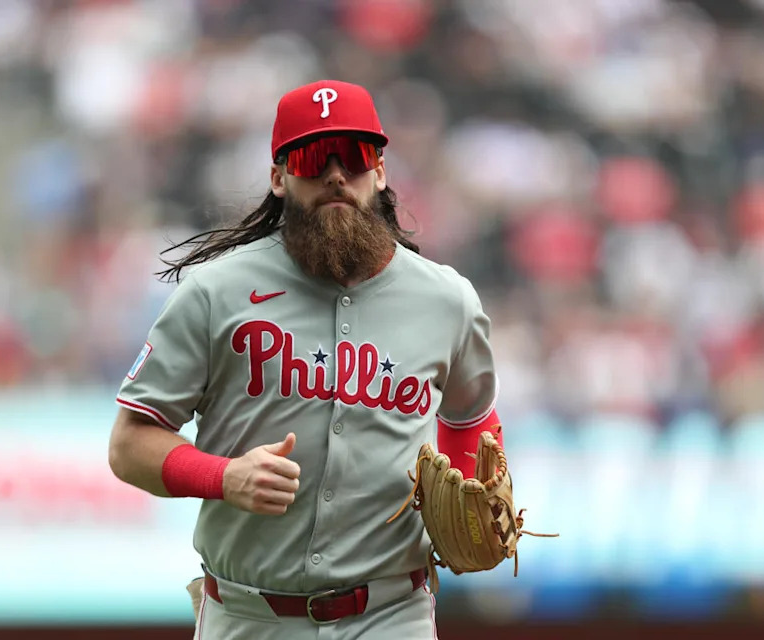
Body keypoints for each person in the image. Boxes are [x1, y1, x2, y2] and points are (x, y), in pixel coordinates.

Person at [108, 80, 504, 639]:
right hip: (248, 616)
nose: (336, 174)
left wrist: (473, 494)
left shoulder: (447, 300)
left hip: (392, 614)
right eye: (315, 157)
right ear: (278, 177)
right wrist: (224, 477)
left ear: (381, 170)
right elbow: (129, 444)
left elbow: (471, 416)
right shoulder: (215, 292)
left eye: (356, 155)